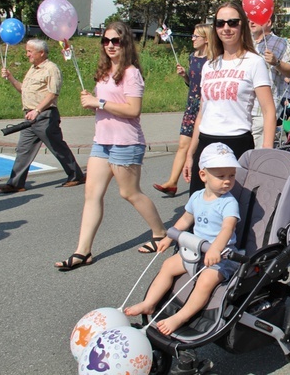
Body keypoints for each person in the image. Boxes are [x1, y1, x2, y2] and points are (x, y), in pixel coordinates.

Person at [55, 21, 168, 270]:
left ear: (125, 43)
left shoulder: (131, 73)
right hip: (102, 142)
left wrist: (99, 103)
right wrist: (93, 101)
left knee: (129, 193)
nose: (110, 45)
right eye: (105, 41)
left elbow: (133, 110)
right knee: (91, 194)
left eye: (115, 41)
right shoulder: (104, 71)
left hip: (126, 142)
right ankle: (82, 251)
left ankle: (160, 233)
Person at [125, 142, 241, 335]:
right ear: (203, 175)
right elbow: (185, 219)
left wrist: (215, 249)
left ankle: (180, 317)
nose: (227, 181)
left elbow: (227, 229)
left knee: (205, 282)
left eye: (232, 175)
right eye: (221, 176)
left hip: (220, 258)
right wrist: (169, 237)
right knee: (168, 266)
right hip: (195, 251)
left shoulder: (229, 202)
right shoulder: (196, 197)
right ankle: (149, 303)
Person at [184, 1, 276, 196]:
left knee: (234, 214)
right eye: (220, 23)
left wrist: (266, 152)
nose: (226, 28)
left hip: (237, 144)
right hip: (206, 143)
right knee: (201, 211)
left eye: (232, 23)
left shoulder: (254, 62)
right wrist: (190, 153)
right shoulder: (209, 65)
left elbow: (268, 111)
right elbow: (201, 113)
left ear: (242, 25)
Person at [0, 39, 85, 193]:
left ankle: (76, 175)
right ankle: (16, 183)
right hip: (30, 117)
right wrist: (10, 77)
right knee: (23, 150)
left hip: (44, 115)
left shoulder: (51, 69)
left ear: (41, 52)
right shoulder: (33, 69)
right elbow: (23, 90)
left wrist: (37, 110)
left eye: (30, 51)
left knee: (57, 147)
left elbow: (52, 94)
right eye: (27, 51)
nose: (27, 54)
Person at [153, 24, 212, 197]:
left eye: (196, 37)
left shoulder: (213, 59)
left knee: (200, 147)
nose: (192, 39)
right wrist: (184, 76)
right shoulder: (192, 57)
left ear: (206, 39)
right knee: (182, 145)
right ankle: (172, 182)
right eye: (192, 36)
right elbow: (192, 84)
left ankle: (206, 183)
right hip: (191, 106)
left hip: (206, 108)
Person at [249, 15, 290, 146]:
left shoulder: (281, 43)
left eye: (255, 18)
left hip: (262, 112)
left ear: (268, 22)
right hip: (241, 110)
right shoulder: (244, 42)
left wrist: (277, 62)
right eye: (249, 18)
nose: (251, 21)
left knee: (258, 160)